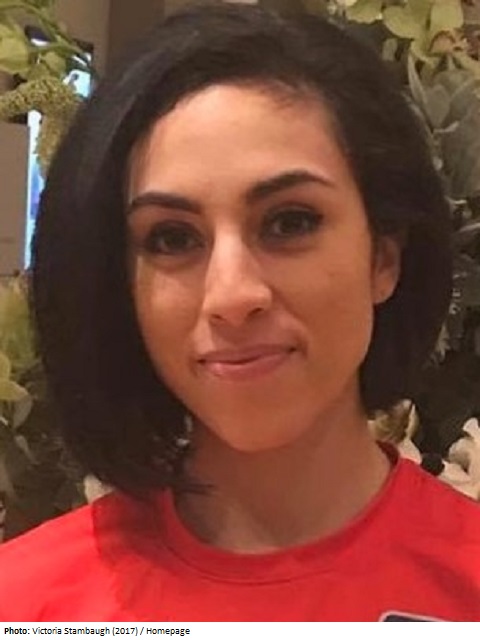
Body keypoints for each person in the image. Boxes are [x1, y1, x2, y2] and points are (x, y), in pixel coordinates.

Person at [0, 2, 479, 623]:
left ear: (383, 258)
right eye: (172, 238)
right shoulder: (28, 608)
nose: (231, 295)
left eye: (290, 222)